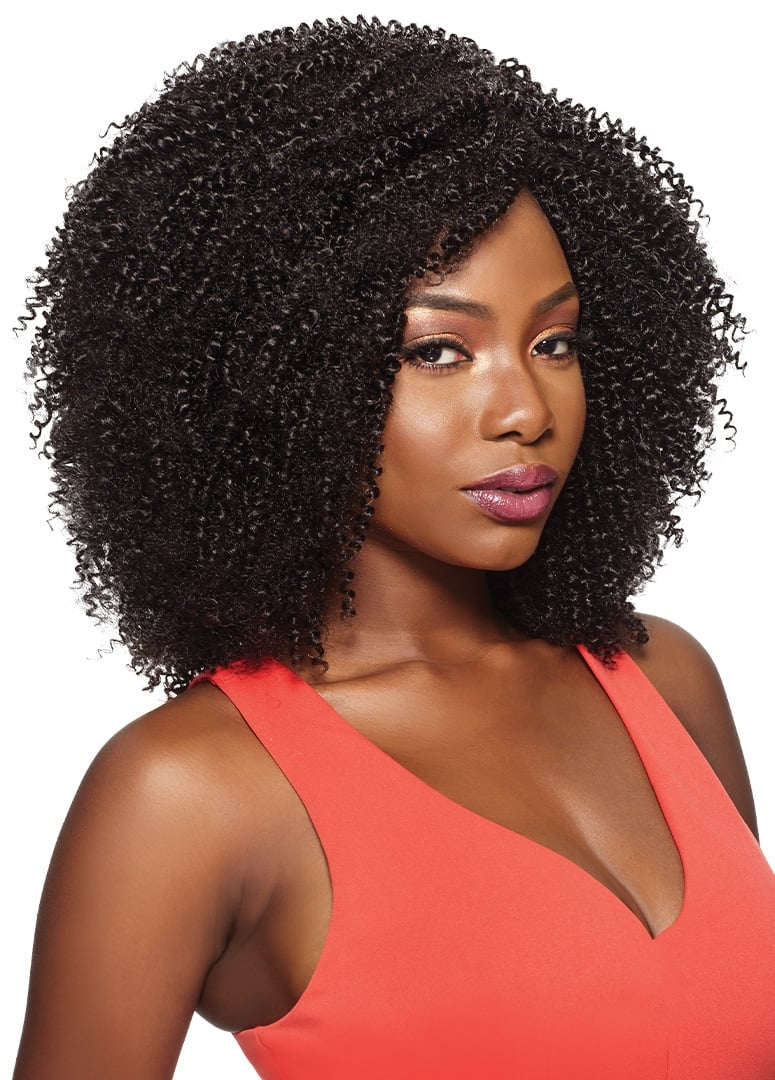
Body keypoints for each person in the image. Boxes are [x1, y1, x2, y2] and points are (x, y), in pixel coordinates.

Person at [12, 15, 774, 1080]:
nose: (525, 410)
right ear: (278, 376)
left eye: (553, 341)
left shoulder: (664, 678)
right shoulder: (191, 792)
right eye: (437, 352)